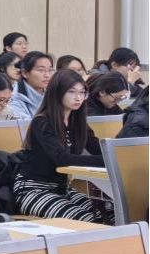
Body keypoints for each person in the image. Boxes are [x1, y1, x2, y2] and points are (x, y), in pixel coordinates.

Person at [14, 70, 107, 222]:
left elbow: (100, 149)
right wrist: (108, 161)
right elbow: (63, 159)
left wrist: (118, 156)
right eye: (72, 92)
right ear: (57, 92)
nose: (78, 97)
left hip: (63, 189)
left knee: (110, 212)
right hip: (33, 189)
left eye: (82, 92)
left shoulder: (78, 122)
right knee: (89, 219)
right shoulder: (42, 122)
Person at [8, 51, 54, 120]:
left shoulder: (53, 93)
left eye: (50, 70)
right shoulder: (14, 97)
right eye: (41, 70)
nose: (47, 75)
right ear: (24, 73)